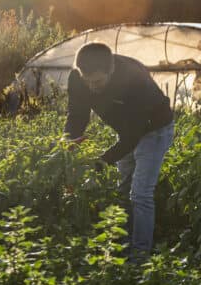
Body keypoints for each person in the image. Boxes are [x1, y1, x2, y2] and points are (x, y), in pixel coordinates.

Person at [64, 42, 174, 258]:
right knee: (123, 190)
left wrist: (104, 160)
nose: (92, 87)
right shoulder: (78, 78)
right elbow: (77, 113)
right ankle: (121, 248)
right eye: (87, 81)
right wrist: (69, 141)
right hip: (126, 130)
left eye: (97, 81)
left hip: (154, 129)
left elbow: (133, 135)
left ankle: (139, 256)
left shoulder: (133, 79)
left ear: (111, 70)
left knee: (140, 193)